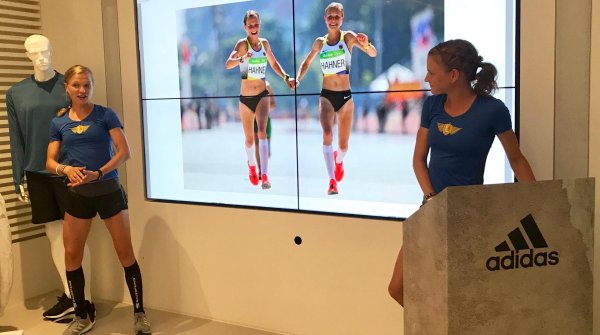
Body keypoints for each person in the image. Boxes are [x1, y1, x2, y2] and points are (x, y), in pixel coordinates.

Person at [387, 39, 536, 306]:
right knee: (397, 288)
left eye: (432, 72)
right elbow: (419, 160)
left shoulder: (493, 110)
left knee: (462, 298)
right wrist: (432, 198)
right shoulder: (432, 106)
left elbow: (517, 160)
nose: (426, 77)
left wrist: (539, 205)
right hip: (431, 209)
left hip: (470, 214)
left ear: (453, 75)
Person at [46, 65, 151, 335]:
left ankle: (139, 314)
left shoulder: (106, 115)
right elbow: (49, 161)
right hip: (77, 196)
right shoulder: (58, 122)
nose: (82, 90)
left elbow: (124, 151)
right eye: (77, 85)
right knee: (71, 256)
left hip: (109, 192)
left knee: (125, 253)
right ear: (67, 87)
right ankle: (82, 316)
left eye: (87, 85)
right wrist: (65, 169)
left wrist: (99, 173)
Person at [6, 34, 93, 321]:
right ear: (27, 56)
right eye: (34, 53)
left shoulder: (67, 86)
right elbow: (16, 137)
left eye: (45, 51)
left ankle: (86, 301)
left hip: (69, 170)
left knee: (75, 238)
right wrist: (18, 173)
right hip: (36, 172)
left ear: (52, 50)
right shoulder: (16, 93)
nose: (41, 57)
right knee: (54, 235)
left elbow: (86, 124)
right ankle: (72, 297)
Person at [296, 2, 377, 195]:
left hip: (346, 97)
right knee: (326, 133)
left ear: (342, 18)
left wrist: (366, 43)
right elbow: (306, 63)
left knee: (343, 146)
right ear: (325, 19)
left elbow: (373, 54)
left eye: (336, 17)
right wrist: (298, 78)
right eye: (330, 17)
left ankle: (338, 160)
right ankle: (332, 181)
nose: (333, 20)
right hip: (327, 96)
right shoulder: (319, 42)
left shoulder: (348, 37)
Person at [225, 10, 295, 190]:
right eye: (250, 26)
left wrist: (286, 77)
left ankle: (265, 175)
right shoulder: (242, 44)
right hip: (246, 99)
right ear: (245, 27)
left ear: (260, 25)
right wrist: (242, 58)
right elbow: (228, 64)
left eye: (256, 25)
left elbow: (273, 63)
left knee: (262, 131)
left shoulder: (264, 44)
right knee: (249, 140)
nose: (254, 28)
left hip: (262, 95)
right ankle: (251, 166)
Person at [254, 81, 275, 178]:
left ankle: (263, 170)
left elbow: (273, 104)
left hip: (266, 119)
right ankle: (260, 170)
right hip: (254, 119)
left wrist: (265, 110)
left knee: (266, 143)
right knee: (257, 145)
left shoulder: (268, 86)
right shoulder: (253, 84)